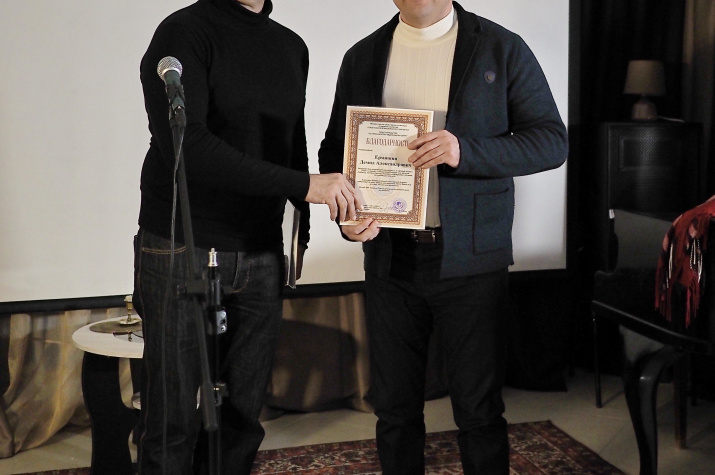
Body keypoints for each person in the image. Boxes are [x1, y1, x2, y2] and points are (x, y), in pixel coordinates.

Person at [318, 1, 568, 473]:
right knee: (394, 411)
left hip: (471, 258)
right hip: (390, 258)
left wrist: (463, 151)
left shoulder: (501, 47)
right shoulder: (362, 56)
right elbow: (336, 149)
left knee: (478, 411)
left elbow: (552, 141)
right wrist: (347, 219)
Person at [133, 0, 359, 473]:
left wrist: (304, 228)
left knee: (242, 417)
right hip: (182, 245)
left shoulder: (290, 46)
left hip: (260, 250)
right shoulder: (183, 32)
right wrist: (304, 186)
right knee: (172, 418)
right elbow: (187, 146)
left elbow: (291, 145)